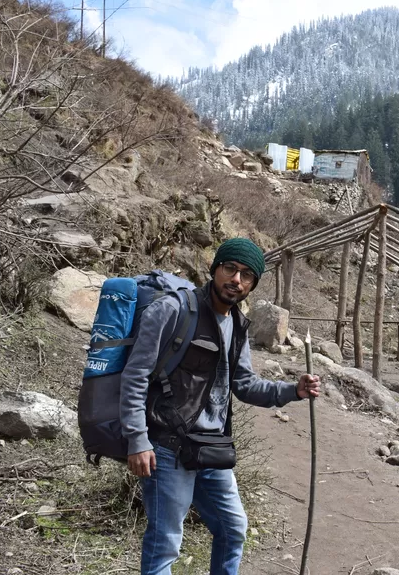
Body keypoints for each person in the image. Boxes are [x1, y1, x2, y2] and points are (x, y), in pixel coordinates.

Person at [120, 237, 320, 575]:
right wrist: (137, 439)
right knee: (165, 542)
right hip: (167, 447)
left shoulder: (237, 325)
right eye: (230, 269)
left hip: (211, 449)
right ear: (215, 269)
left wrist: (292, 391)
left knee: (232, 529)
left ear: (253, 284)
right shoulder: (173, 310)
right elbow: (136, 375)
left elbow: (244, 385)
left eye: (246, 275)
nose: (236, 280)